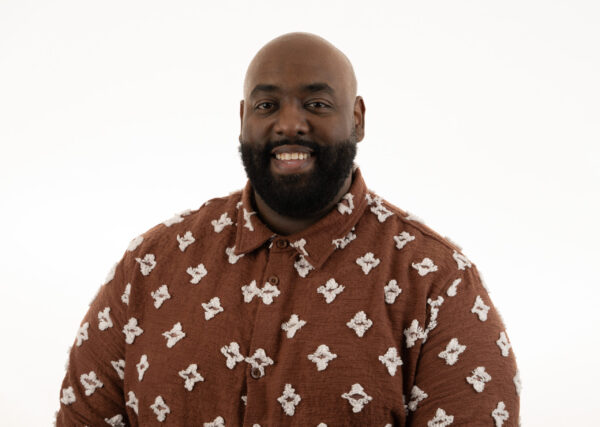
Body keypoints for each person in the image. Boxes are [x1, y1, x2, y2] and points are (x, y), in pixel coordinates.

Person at [56, 32, 520, 426]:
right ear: (243, 119)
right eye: (267, 105)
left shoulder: (438, 282)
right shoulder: (151, 265)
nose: (290, 124)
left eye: (316, 103)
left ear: (357, 119)